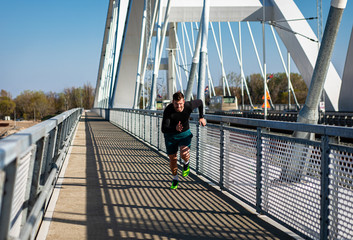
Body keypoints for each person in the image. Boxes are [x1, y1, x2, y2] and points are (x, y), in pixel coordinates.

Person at [162, 92, 206, 189]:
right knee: (173, 160)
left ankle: (186, 163)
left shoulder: (188, 106)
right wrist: (175, 128)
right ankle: (175, 178)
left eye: (180, 104)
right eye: (176, 104)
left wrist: (201, 117)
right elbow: (164, 129)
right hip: (170, 135)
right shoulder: (168, 110)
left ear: (183, 102)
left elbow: (200, 102)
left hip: (184, 133)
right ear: (173, 102)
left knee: (184, 153)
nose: (179, 106)